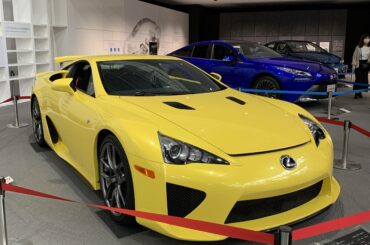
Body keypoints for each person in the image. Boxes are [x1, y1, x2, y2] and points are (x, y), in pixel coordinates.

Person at [352, 34, 370, 99]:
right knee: (358, 79)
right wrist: (354, 65)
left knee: (363, 79)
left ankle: (360, 92)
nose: (367, 40)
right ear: (362, 39)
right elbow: (354, 56)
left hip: (366, 65)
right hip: (359, 64)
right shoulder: (358, 47)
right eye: (365, 38)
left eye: (368, 38)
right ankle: (356, 93)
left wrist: (368, 63)